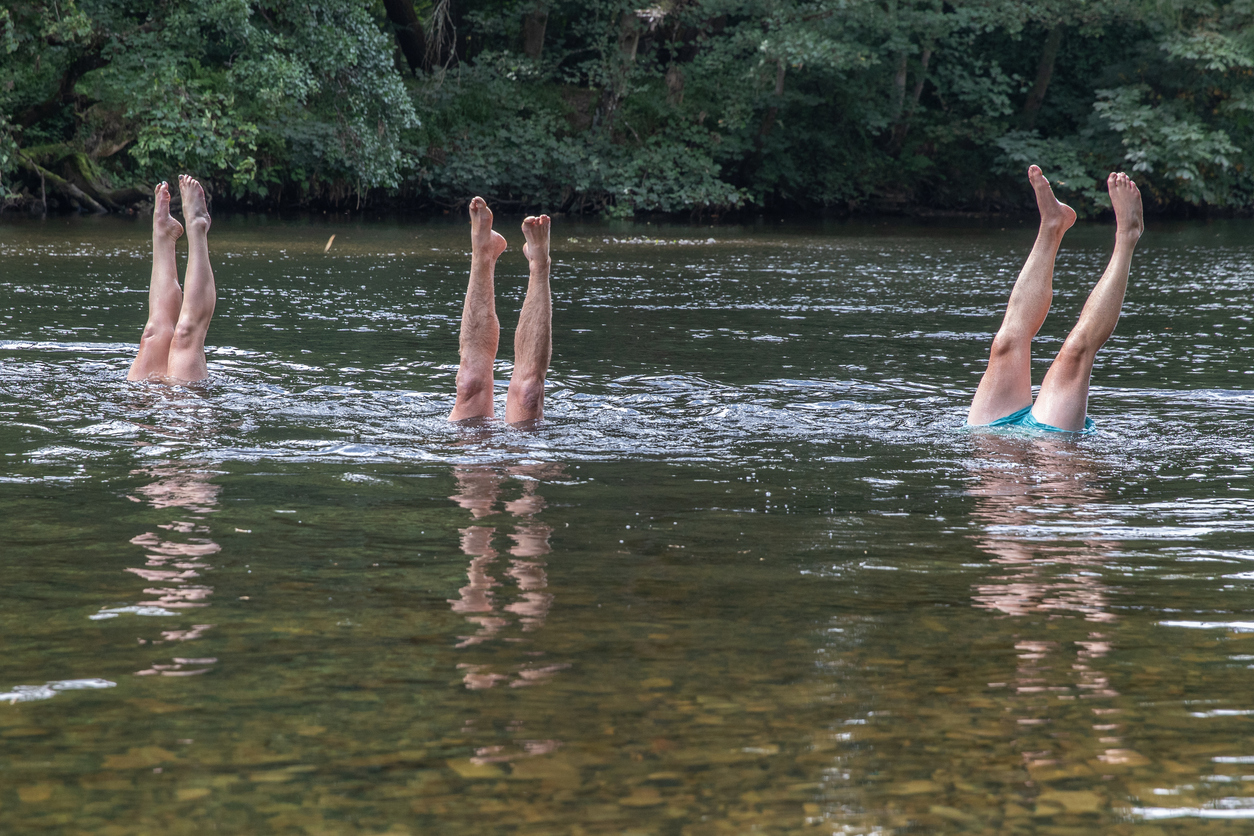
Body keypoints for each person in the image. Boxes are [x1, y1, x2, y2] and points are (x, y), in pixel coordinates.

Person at [967, 166, 1144, 433]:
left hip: (991, 432)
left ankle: (1056, 225)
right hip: (1050, 441)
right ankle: (1121, 234)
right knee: (1077, 351)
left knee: (1005, 341)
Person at [449, 196, 552, 424]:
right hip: (473, 445)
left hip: (527, 446)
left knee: (530, 393)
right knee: (468, 383)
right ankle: (483, 251)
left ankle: (539, 264)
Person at [127, 175, 216, 383]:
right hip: (183, 405)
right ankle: (190, 226)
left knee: (157, 334)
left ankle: (170, 230)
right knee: (178, 337)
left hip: (149, 401)